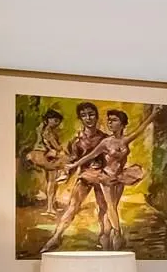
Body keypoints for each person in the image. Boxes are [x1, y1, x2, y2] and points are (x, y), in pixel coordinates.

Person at [61, 107, 152, 249]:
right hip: (106, 177)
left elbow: (142, 128)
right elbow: (88, 156)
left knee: (113, 207)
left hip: (120, 177)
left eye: (114, 120)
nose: (110, 123)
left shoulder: (125, 139)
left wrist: (153, 115)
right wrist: (73, 165)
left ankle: (107, 237)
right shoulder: (105, 142)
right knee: (110, 207)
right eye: (109, 121)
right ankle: (118, 234)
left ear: (122, 124)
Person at [41, 102, 110, 252]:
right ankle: (56, 237)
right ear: (80, 118)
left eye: (91, 114)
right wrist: (66, 174)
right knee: (73, 206)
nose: (88, 118)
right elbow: (72, 160)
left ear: (97, 117)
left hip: (103, 177)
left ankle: (105, 237)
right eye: (84, 115)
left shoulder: (105, 138)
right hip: (85, 176)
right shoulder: (77, 140)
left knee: (103, 207)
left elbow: (111, 160)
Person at [24, 108, 68, 212]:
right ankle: (50, 207)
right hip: (42, 155)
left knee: (51, 181)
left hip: (38, 154)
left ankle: (51, 205)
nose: (57, 123)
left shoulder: (41, 128)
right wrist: (59, 148)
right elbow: (55, 146)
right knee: (63, 162)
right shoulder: (48, 131)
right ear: (48, 120)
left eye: (58, 121)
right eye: (55, 120)